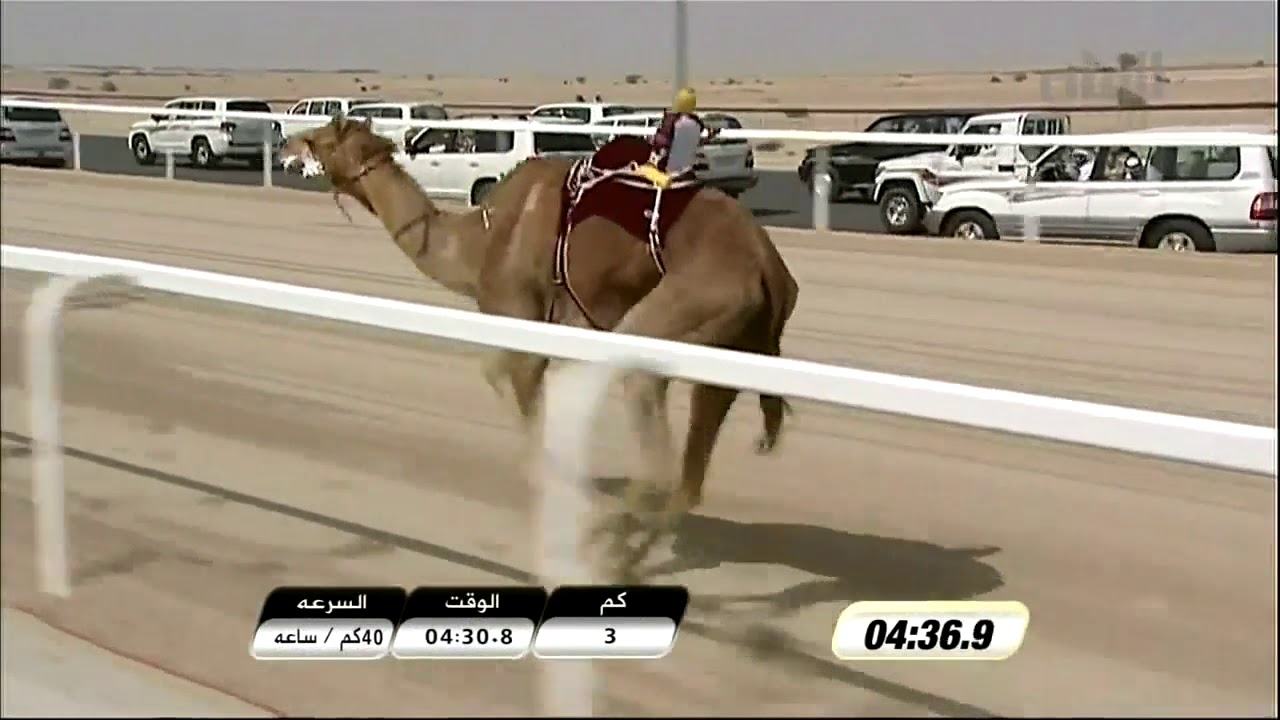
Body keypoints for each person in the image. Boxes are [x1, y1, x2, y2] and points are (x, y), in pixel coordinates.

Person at [636, 87, 715, 189]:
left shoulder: (672, 121)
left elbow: (661, 146)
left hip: (668, 174)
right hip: (687, 171)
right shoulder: (697, 123)